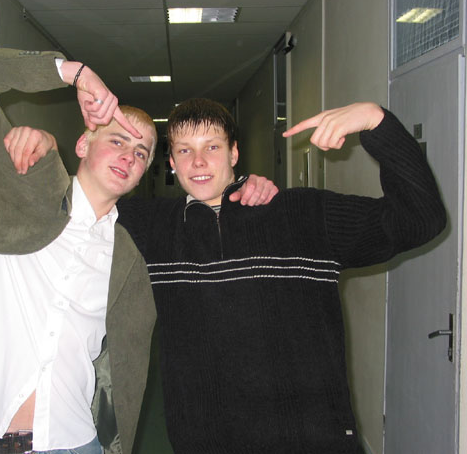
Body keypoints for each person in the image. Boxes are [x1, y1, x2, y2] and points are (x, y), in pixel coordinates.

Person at [0, 47, 276, 454]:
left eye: (141, 153)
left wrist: (245, 190)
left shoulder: (136, 248)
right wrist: (73, 73)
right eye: (117, 140)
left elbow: (210, 245)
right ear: (83, 144)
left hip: (74, 443)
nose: (128, 156)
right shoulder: (19, 180)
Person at [111, 99, 447, 453]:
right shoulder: (151, 229)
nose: (198, 162)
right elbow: (80, 206)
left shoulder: (304, 215)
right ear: (171, 162)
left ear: (234, 153)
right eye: (185, 150)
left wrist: (376, 121)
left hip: (311, 441)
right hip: (206, 442)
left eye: (212, 147)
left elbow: (421, 220)